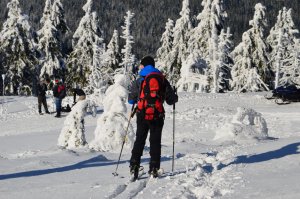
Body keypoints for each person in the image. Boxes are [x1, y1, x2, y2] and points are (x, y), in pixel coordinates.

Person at [128, 55, 178, 179]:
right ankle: (154, 167)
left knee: (140, 139)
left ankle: (134, 165)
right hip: (157, 114)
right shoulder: (161, 78)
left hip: (142, 113)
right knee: (155, 141)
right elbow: (171, 100)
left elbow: (130, 100)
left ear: (144, 65)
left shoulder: (139, 78)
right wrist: (175, 95)